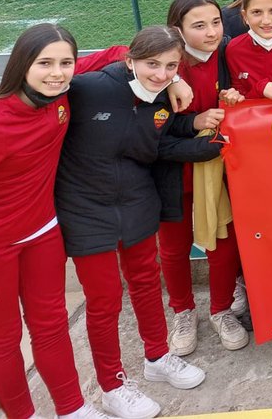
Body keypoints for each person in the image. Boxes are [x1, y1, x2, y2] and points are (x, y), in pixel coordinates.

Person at [59, 26, 219, 418]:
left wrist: (202, 134)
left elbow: (160, 140)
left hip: (136, 201)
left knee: (146, 283)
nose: (161, 74)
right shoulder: (89, 87)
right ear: (129, 61)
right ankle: (113, 386)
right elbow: (55, 75)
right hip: (85, 208)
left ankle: (157, 357)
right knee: (105, 300)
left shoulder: (165, 97)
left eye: (171, 67)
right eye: (152, 64)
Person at [0, 25, 120, 419]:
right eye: (45, 63)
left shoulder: (61, 98)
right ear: (22, 65)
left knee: (51, 327)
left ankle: (73, 409)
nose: (57, 73)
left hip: (44, 234)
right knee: (3, 339)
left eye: (66, 63)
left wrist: (178, 80)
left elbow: (117, 52)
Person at [158, 0, 248, 360]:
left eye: (215, 22)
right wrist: (191, 115)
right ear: (177, 30)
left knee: (222, 239)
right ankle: (182, 311)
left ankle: (221, 310)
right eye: (199, 25)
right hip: (174, 171)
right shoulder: (163, 64)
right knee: (174, 245)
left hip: (218, 168)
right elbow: (158, 125)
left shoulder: (228, 53)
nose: (211, 32)